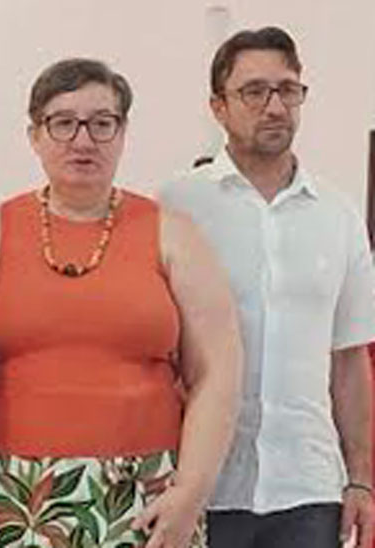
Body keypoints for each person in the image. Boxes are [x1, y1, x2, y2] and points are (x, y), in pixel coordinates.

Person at [0, 58, 241, 548]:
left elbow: (218, 372)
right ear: (34, 136)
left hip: (145, 498)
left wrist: (191, 493)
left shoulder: (174, 235)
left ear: (122, 132)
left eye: (101, 123)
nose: (83, 140)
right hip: (9, 497)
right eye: (63, 123)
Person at [160, 27, 375, 548]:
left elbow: (349, 359)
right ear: (218, 107)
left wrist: (361, 478)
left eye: (287, 90)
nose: (275, 106)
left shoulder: (338, 215)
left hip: (309, 489)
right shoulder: (176, 206)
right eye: (254, 91)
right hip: (201, 486)